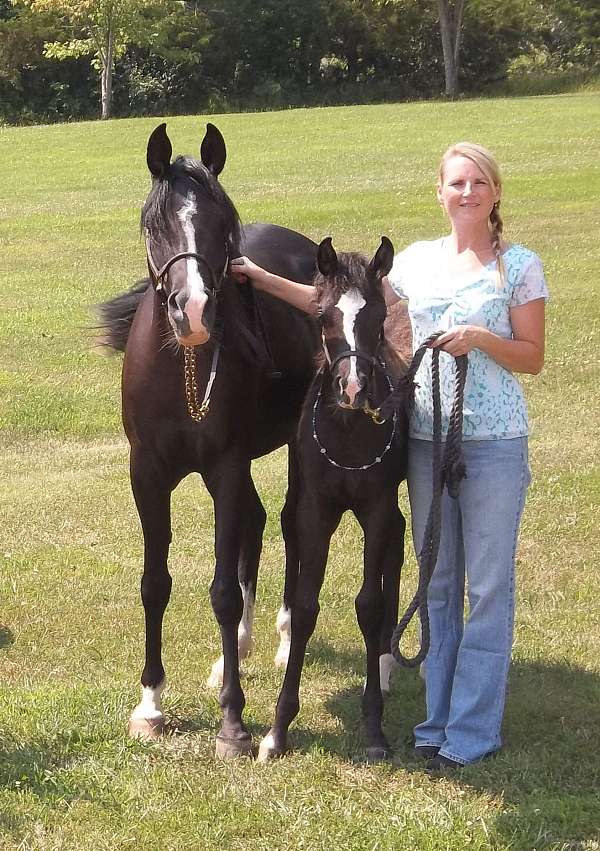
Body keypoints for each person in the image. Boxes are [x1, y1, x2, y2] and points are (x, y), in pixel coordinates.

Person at [230, 141, 548, 768]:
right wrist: (262, 278)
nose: (468, 192)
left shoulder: (519, 267)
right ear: (440, 192)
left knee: (484, 587)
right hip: (424, 439)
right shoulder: (415, 264)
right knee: (436, 583)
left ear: (495, 192)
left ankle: (472, 727)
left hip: (492, 443)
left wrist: (482, 338)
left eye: (479, 182)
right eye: (457, 182)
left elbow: (532, 356)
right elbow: (345, 307)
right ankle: (435, 720)